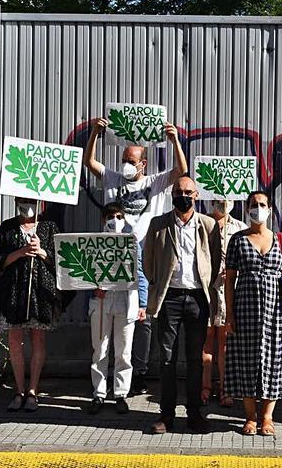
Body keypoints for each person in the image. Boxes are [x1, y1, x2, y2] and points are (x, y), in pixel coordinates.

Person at [84, 118, 187, 397]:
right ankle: (102, 381)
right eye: (124, 159)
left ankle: (136, 375)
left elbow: (182, 171)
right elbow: (89, 162)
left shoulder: (155, 182)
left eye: (132, 160)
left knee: (142, 316)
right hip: (111, 253)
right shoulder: (113, 179)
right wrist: (95, 133)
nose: (127, 164)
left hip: (144, 252)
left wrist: (174, 140)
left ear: (143, 164)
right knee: (106, 320)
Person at [224, 191, 282, 437]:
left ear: (270, 210)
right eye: (253, 205)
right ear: (247, 209)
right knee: (246, 360)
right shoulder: (238, 240)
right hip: (245, 309)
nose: (257, 208)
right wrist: (230, 313)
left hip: (277, 311)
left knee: (274, 360)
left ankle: (267, 417)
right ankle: (250, 417)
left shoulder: (281, 240)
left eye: (262, 204)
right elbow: (229, 279)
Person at [142, 176, 219, 434]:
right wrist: (157, 284)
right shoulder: (158, 225)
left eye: (188, 192)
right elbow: (148, 261)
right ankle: (166, 415)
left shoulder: (208, 226)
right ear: (172, 194)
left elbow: (215, 261)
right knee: (167, 359)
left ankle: (195, 413)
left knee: (196, 360)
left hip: (198, 298)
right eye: (178, 191)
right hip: (169, 298)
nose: (183, 195)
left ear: (196, 195)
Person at [0, 197, 59, 413]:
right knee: (14, 339)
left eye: (31, 200)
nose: (26, 204)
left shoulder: (49, 227)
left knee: (38, 339)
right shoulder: (8, 227)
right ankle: (18, 390)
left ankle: (33, 391)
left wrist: (42, 252)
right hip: (13, 293)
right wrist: (19, 253)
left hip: (40, 293)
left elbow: (62, 259)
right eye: (22, 200)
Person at [87, 203, 147, 415]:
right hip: (101, 301)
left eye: (119, 216)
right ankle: (99, 394)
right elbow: (81, 274)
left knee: (123, 352)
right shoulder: (92, 242)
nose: (115, 220)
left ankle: (121, 394)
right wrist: (94, 289)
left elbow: (140, 272)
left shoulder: (132, 242)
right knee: (100, 350)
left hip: (126, 300)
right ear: (104, 219)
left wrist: (143, 303)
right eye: (111, 216)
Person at [201, 199, 248, 407]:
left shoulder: (240, 228)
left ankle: (225, 388)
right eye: (218, 199)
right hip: (207, 288)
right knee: (207, 337)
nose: (223, 203)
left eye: (227, 199)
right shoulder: (203, 223)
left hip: (230, 289)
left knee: (225, 342)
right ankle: (204, 386)